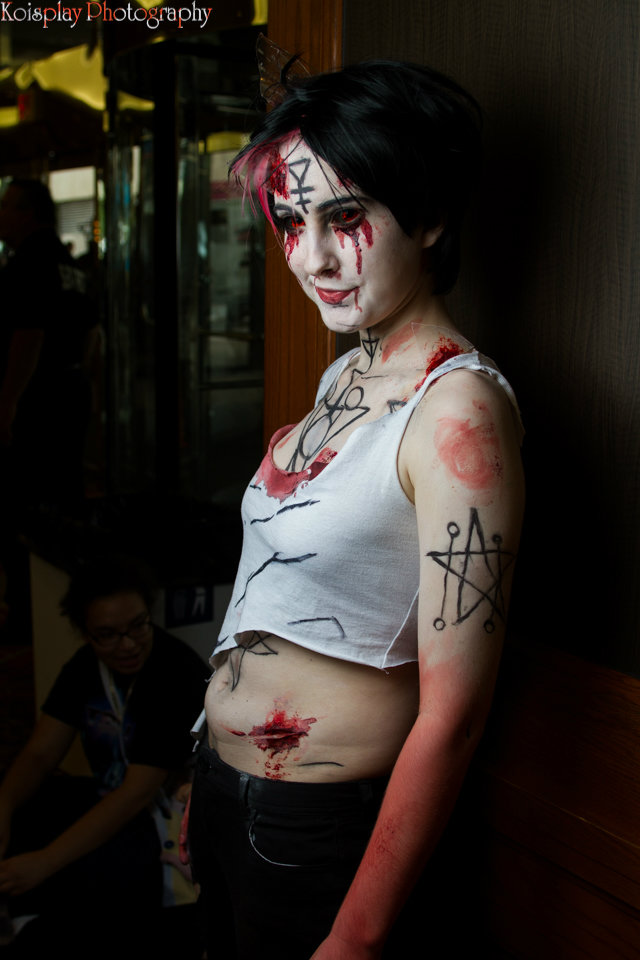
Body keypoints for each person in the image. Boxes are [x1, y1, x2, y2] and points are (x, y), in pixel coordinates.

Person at [188, 60, 525, 959]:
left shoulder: (456, 410)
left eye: (345, 219)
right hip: (228, 797)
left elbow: (455, 715)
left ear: (429, 215)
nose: (313, 258)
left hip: (319, 831)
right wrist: (207, 772)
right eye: (291, 223)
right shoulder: (347, 371)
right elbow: (271, 592)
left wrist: (358, 936)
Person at [0, 556, 209, 957]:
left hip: (167, 815)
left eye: (138, 626)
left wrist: (44, 863)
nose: (127, 644)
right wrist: (4, 805)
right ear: (86, 634)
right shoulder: (85, 667)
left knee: (98, 869)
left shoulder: (173, 670)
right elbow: (40, 754)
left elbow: (136, 794)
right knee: (30, 810)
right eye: (108, 635)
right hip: (116, 796)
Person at [0, 178, 99, 508]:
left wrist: (7, 403)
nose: (1, 214)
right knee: (65, 485)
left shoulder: (28, 263)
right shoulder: (67, 262)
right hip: (71, 390)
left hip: (37, 398)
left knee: (30, 494)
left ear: (28, 214)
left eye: (6, 206)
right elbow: (91, 330)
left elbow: (29, 336)